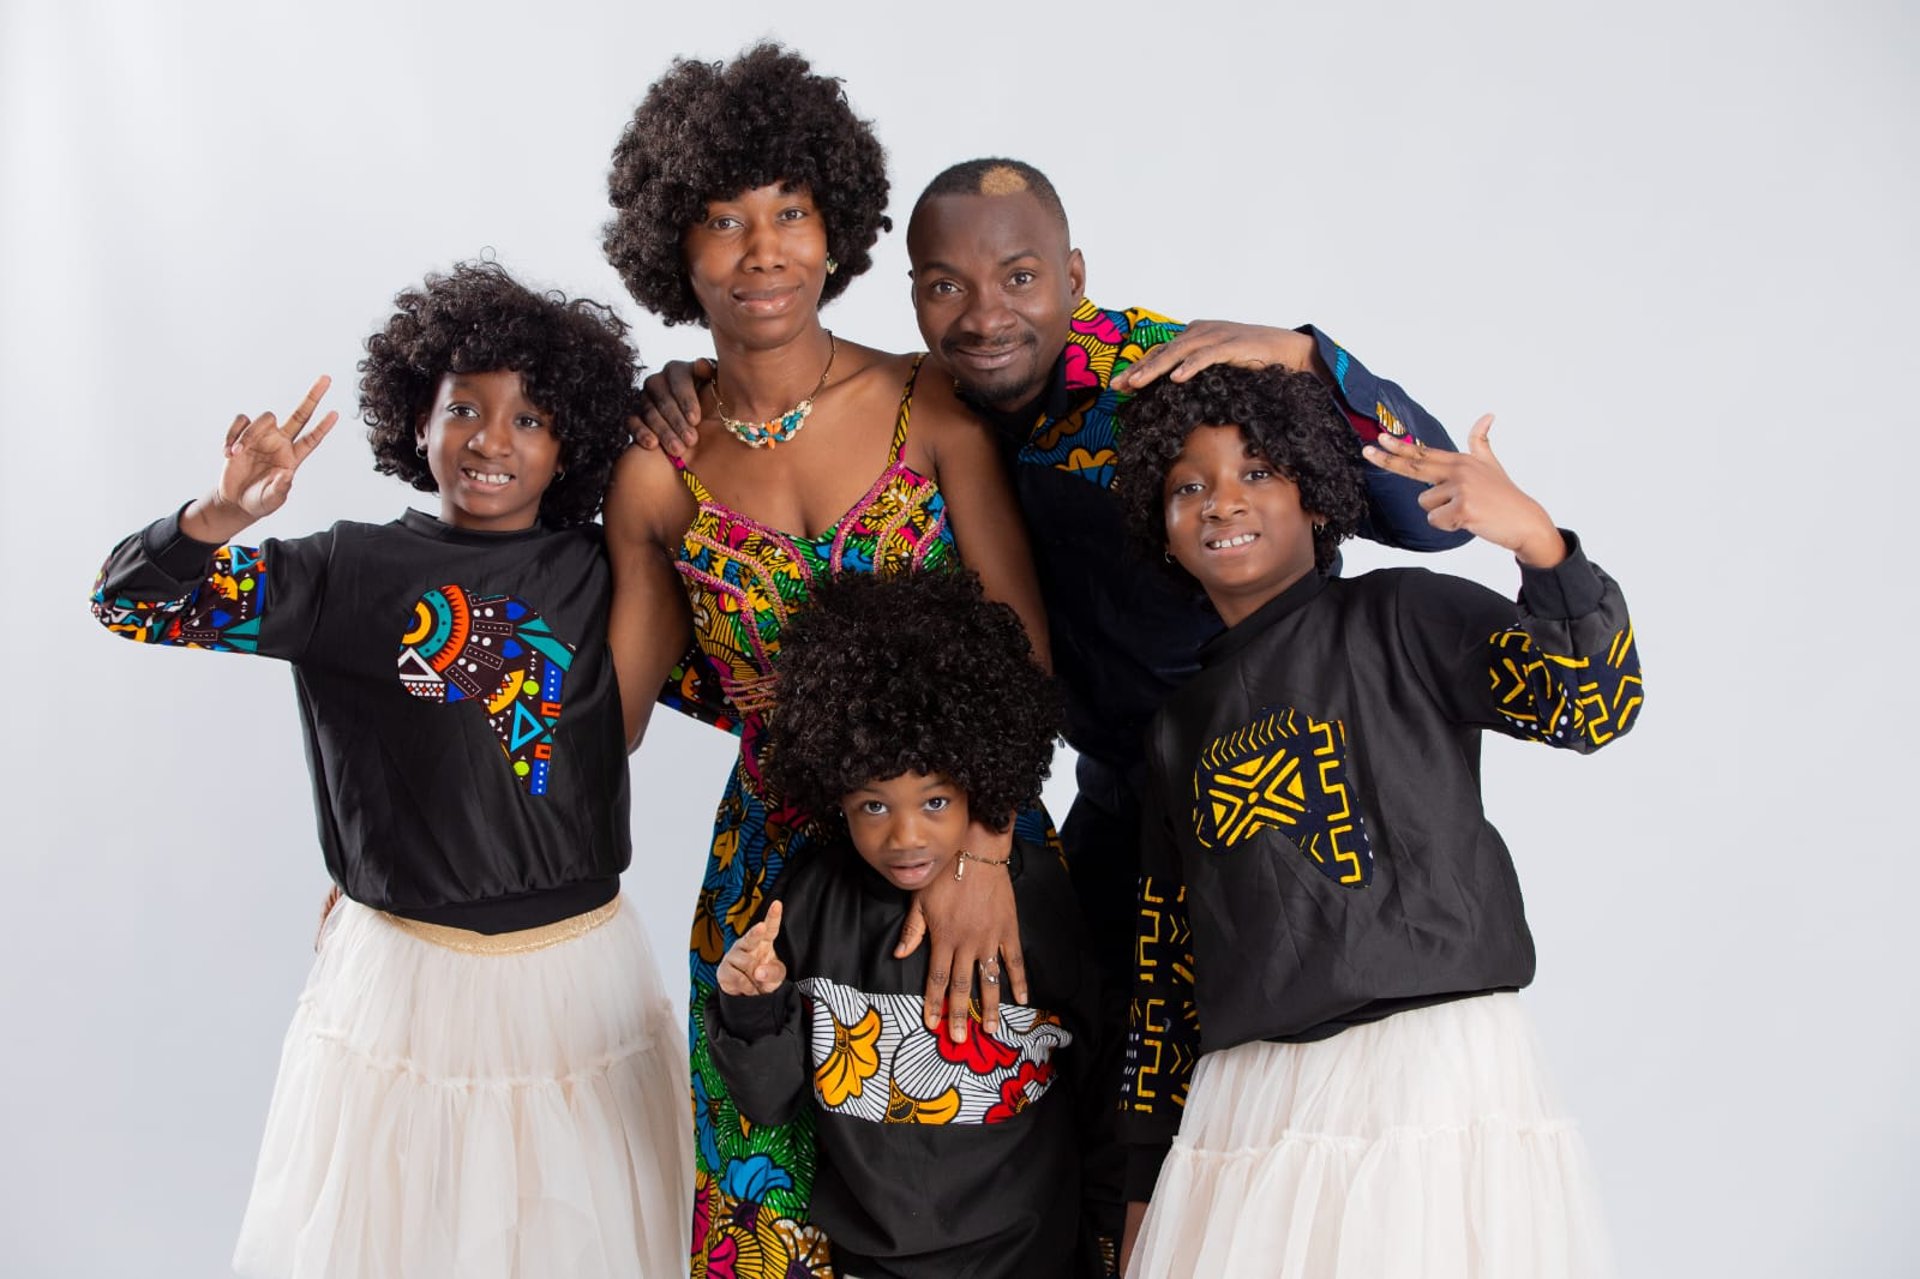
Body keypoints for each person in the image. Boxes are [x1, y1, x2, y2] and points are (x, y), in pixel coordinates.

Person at [637, 153, 1472, 1248]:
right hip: (1107, 810)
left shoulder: (1166, 380)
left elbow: (1438, 510)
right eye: (947, 287)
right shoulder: (918, 405)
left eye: (1022, 278)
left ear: (1074, 274)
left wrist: (1311, 355)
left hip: (1262, 798)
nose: (987, 315)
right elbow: (737, 647)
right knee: (1100, 1146)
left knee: (1264, 1161)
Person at [88, 262, 691, 1278]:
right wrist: (222, 511)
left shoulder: (604, 572)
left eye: (532, 419)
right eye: (466, 408)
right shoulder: (343, 571)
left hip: (579, 980)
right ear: (417, 420)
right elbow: (130, 603)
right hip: (403, 983)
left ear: (569, 448)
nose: (494, 440)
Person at [598, 46, 1050, 1277]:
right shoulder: (658, 468)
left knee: (967, 1198)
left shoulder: (929, 404)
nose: (762, 252)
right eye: (723, 220)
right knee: (771, 1202)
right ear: (670, 249)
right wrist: (416, 850)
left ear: (836, 227)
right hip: (769, 875)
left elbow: (1026, 651)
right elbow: (607, 723)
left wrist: (990, 853)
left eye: (790, 213)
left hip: (959, 849)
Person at [1111, 364, 1641, 1276]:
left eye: (1258, 472)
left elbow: (1591, 703)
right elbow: (1168, 976)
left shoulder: (1399, 616)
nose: (1221, 502)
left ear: (1317, 501)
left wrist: (1538, 543)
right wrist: (1143, 1202)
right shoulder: (1177, 730)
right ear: (1161, 527)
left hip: (1428, 1077)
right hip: (1250, 1103)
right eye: (1188, 485)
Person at [706, 569, 1108, 1277]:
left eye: (933, 802)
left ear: (979, 781)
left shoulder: (1028, 899)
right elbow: (770, 1101)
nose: (904, 837)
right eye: (873, 806)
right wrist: (753, 1004)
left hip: (1027, 1255)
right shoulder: (809, 901)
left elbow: (1097, 1074)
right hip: (873, 1262)